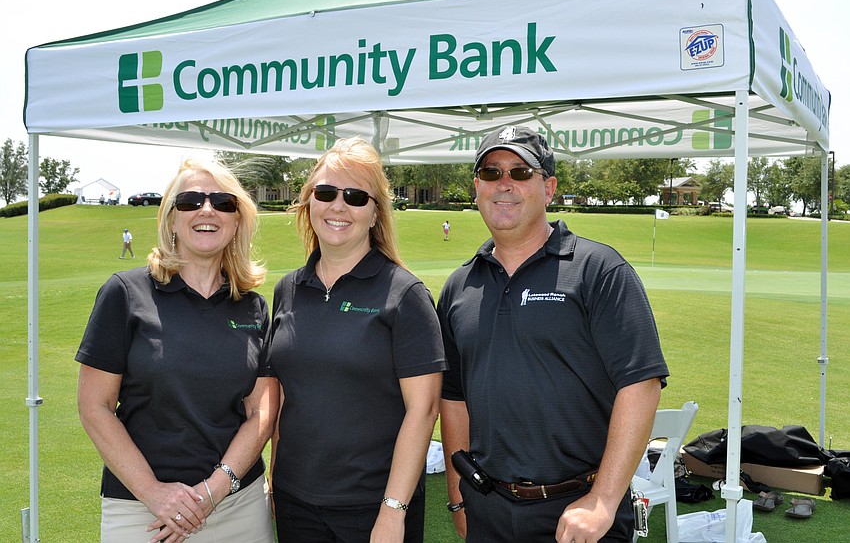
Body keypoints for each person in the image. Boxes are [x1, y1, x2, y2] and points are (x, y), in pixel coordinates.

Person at [438, 125, 669, 542]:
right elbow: (453, 397)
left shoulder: (598, 269)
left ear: (548, 188)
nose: (504, 183)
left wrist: (601, 501)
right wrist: (459, 495)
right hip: (487, 508)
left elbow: (642, 383)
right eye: (491, 173)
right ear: (476, 187)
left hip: (577, 512)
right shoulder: (459, 286)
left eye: (521, 172)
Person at [76, 156, 277, 543]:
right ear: (171, 218)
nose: (207, 210)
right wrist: (154, 493)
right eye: (190, 201)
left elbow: (262, 413)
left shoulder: (253, 307)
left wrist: (213, 490)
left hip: (237, 506)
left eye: (223, 202)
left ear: (237, 221)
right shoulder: (124, 293)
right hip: (143, 513)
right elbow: (94, 407)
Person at [267, 137, 446, 542]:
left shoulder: (404, 295)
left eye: (355, 196)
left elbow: (424, 410)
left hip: (373, 507)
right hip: (296, 502)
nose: (338, 206)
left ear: (375, 213)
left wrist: (393, 511)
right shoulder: (288, 290)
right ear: (308, 202)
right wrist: (276, 481)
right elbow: (283, 398)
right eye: (326, 192)